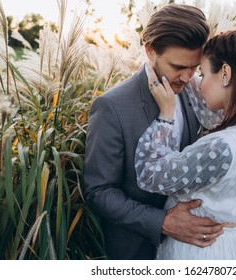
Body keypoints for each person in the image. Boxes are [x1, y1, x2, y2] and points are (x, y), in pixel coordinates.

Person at [83, 3, 225, 260]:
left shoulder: (196, 91)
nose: (187, 77)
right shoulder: (111, 106)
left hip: (189, 252)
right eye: (178, 66)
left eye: (194, 67)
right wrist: (162, 222)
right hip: (137, 251)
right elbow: (99, 191)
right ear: (150, 51)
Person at [135, 28, 236, 259]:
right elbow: (212, 111)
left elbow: (152, 173)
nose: (198, 84)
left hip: (201, 252)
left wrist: (166, 114)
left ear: (225, 73)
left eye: (201, 74)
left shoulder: (221, 147)